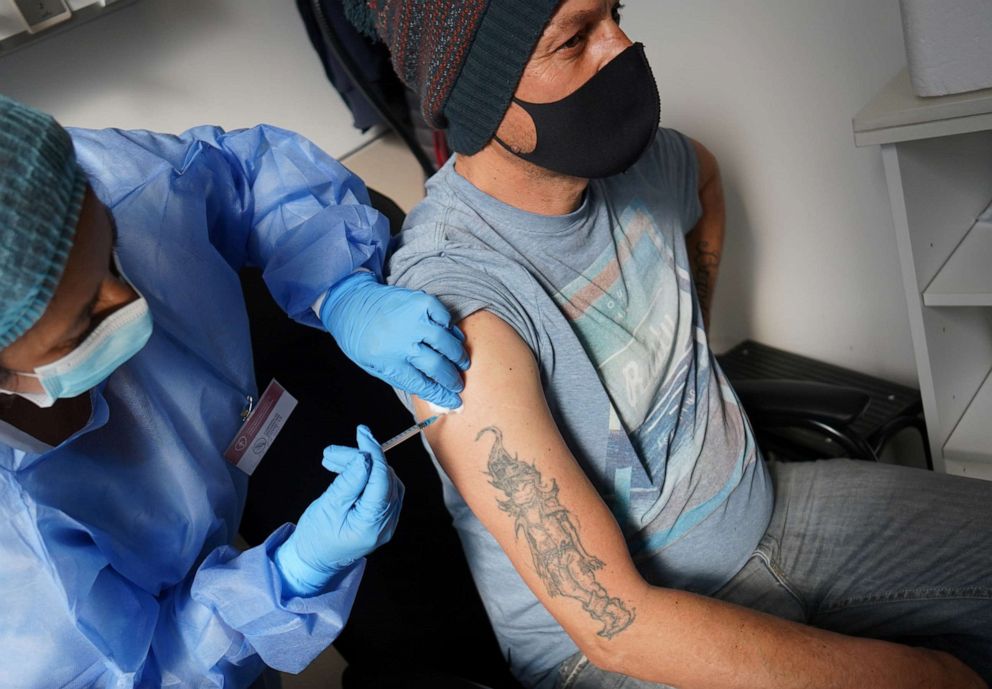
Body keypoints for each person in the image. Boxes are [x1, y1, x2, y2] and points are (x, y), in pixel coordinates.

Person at [346, 1, 992, 688]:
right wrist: (927, 675)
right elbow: (616, 625)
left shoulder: (644, 165)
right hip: (608, 640)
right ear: (480, 97)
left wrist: (688, 347)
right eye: (575, 39)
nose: (621, 48)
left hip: (765, 506)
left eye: (615, 13)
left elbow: (704, 178)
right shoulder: (459, 302)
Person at [0, 94, 470, 688]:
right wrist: (291, 578)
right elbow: (144, 673)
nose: (131, 303)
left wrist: (342, 287)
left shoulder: (74, 180)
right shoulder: (12, 565)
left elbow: (250, 173)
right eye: (83, 322)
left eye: (113, 258)